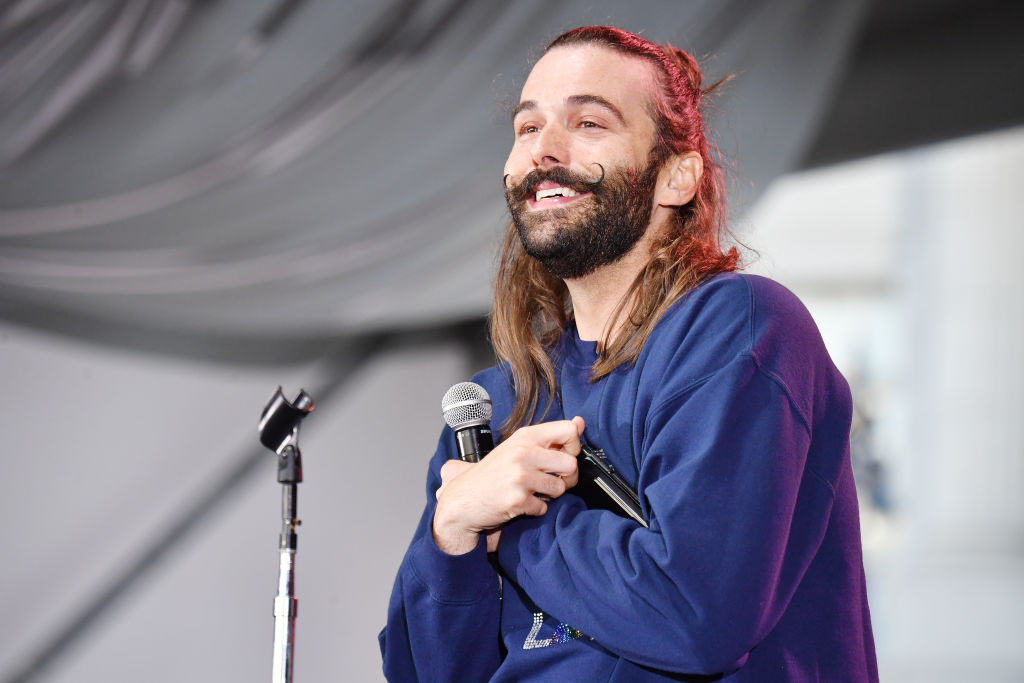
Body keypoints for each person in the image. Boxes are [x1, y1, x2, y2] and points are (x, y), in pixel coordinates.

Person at [379, 25, 878, 682]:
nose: (544, 150)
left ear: (675, 176)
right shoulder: (495, 406)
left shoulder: (740, 329)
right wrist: (454, 531)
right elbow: (424, 672)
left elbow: (695, 615)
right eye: (527, 129)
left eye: (589, 122)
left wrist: (515, 527)